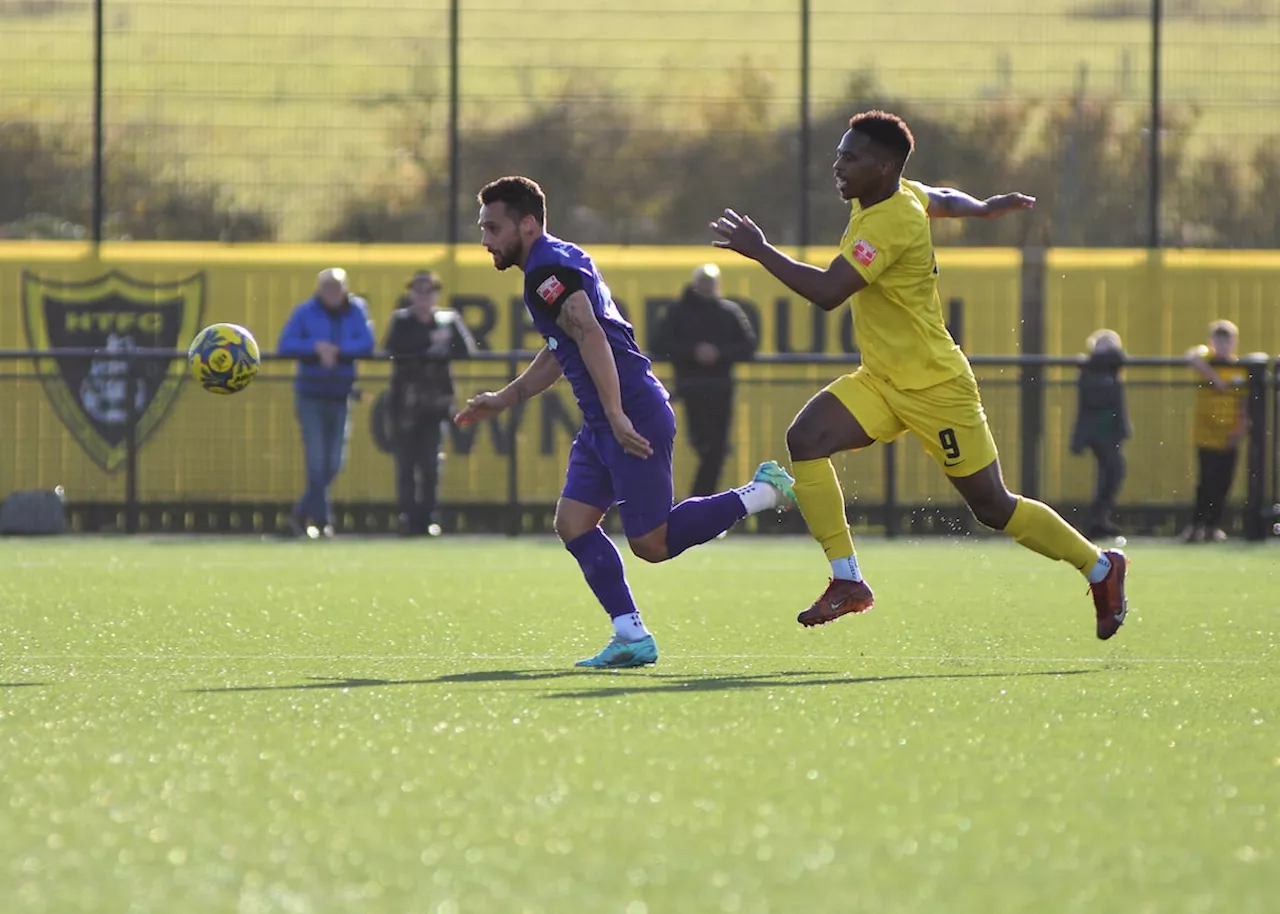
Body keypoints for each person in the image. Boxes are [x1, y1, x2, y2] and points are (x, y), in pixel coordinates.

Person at [710, 110, 1128, 641]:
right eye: (839, 153)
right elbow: (939, 196)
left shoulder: (891, 221)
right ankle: (847, 580)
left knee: (993, 507)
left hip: (936, 387)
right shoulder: (895, 193)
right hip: (883, 379)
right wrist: (981, 208)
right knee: (807, 438)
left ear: (882, 166)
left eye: (850, 157)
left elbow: (828, 293)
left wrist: (760, 250)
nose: (837, 164)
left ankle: (1100, 568)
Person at [456, 176, 797, 669]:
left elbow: (590, 334)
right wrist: (509, 397)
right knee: (573, 523)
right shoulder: (555, 258)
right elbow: (566, 343)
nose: (485, 239)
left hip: (630, 413)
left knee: (652, 545)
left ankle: (762, 491)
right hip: (604, 421)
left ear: (527, 224)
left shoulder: (545, 272)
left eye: (493, 227)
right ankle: (630, 635)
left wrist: (616, 414)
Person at [277, 268, 376, 538]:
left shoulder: (356, 311)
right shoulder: (305, 312)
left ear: (345, 289)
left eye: (337, 287)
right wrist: (316, 348)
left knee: (335, 462)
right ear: (319, 289)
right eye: (327, 287)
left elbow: (367, 343)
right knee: (316, 460)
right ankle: (322, 521)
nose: (332, 292)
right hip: (311, 394)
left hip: (340, 394)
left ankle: (300, 514)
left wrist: (338, 351)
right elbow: (286, 344)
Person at [384, 270, 478, 537]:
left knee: (430, 465)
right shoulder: (401, 321)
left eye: (429, 291)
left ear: (436, 293)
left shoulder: (447, 320)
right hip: (406, 402)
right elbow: (391, 351)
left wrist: (443, 348)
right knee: (405, 465)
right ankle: (407, 519)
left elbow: (468, 351)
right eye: (418, 291)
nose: (423, 297)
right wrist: (426, 349)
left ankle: (428, 518)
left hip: (435, 403)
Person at [651, 263, 758, 497]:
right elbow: (658, 344)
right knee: (702, 445)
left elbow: (749, 346)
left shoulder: (728, 312)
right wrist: (693, 352)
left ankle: (699, 503)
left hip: (720, 390)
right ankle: (699, 504)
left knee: (716, 451)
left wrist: (719, 353)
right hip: (691, 388)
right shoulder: (678, 312)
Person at [1183, 320, 1248, 542]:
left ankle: (1213, 526)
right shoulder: (1206, 362)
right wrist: (1216, 379)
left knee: (1224, 482)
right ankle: (1196, 526)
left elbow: (1243, 402)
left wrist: (1239, 429)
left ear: (1234, 342)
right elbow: (1191, 356)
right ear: (1212, 342)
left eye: (1227, 341)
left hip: (1228, 434)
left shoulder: (1239, 368)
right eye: (1219, 341)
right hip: (1206, 434)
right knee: (1206, 482)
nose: (1223, 345)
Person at [1070, 329, 1130, 539]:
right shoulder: (1092, 369)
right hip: (1099, 431)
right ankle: (1096, 520)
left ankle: (1099, 519)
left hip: (1111, 431)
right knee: (1112, 471)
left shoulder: (1111, 370)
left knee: (1112, 473)